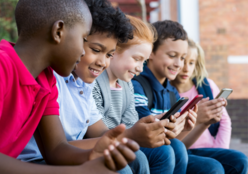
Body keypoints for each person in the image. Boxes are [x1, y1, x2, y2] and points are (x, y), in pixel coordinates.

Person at [0, 0, 139, 173]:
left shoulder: (46, 81)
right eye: (83, 39)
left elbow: (56, 150)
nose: (82, 52)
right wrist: (80, 171)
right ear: (58, 31)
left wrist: (92, 156)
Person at [92, 16, 190, 174]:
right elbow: (96, 130)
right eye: (136, 59)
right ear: (114, 50)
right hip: (100, 142)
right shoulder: (96, 82)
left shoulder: (127, 84)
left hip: (123, 138)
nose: (139, 68)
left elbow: (130, 122)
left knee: (174, 148)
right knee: (143, 157)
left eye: (143, 61)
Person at [170, 38, 248, 174]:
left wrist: (221, 149)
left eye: (191, 63)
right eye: (184, 61)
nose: (186, 68)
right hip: (184, 149)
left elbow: (224, 121)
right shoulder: (167, 92)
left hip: (210, 148)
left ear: (197, 64)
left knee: (240, 160)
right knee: (212, 167)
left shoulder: (207, 86)